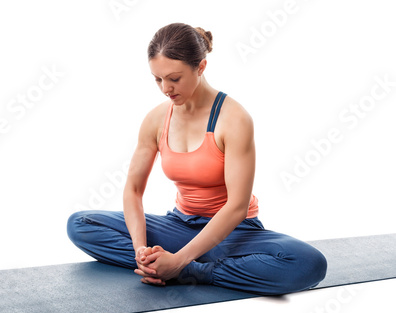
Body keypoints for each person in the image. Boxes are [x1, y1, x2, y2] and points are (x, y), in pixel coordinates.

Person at [67, 22, 327, 295]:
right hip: (180, 226)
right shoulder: (156, 120)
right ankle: (163, 264)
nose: (165, 88)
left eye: (174, 78)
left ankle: (193, 270)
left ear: (200, 67)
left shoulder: (234, 119)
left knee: (308, 263)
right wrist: (141, 251)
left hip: (232, 232)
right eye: (157, 79)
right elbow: (133, 190)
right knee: (81, 224)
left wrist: (180, 261)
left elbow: (237, 206)